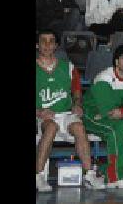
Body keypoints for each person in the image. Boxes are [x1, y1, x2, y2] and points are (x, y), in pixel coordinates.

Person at [36, 29, 106, 191]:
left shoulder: (68, 67)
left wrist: (77, 104)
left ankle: (89, 174)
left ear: (56, 45)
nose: (47, 45)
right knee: (51, 126)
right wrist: (39, 112)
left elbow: (76, 92)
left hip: (65, 114)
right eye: (43, 41)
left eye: (51, 41)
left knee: (79, 127)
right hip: (42, 116)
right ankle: (38, 176)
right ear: (37, 45)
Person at [82, 44, 123, 188]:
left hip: (117, 115)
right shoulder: (104, 78)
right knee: (117, 127)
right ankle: (114, 176)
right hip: (92, 116)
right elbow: (109, 111)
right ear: (116, 61)